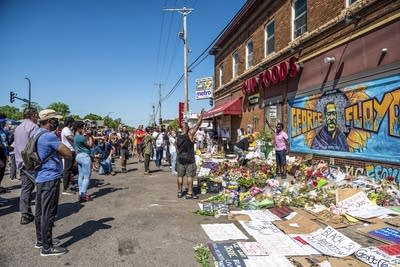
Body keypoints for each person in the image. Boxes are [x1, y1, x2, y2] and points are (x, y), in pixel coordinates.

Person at [34, 109, 72, 256]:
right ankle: (47, 247)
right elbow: (67, 153)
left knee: (39, 212)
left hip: (39, 177)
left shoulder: (35, 133)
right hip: (50, 177)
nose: (57, 122)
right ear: (50, 121)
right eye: (55, 119)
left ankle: (40, 240)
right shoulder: (49, 136)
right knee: (48, 213)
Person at [13, 107, 39, 224]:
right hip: (31, 163)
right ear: (33, 115)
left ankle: (25, 215)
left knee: (26, 189)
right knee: (42, 188)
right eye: (36, 115)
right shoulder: (33, 127)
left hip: (20, 162)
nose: (37, 117)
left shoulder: (17, 128)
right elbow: (36, 146)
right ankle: (41, 215)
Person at [176, 109, 205, 199]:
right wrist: (201, 116)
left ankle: (179, 192)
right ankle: (189, 193)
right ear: (187, 127)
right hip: (190, 159)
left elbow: (176, 149)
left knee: (180, 176)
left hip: (181, 159)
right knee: (190, 176)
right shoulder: (190, 134)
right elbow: (198, 125)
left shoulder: (178, 137)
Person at [73, 121, 94, 202]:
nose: (84, 128)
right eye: (83, 127)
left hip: (78, 156)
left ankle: (81, 193)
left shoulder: (75, 137)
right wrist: (90, 136)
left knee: (80, 176)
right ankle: (83, 194)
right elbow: (90, 145)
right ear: (79, 128)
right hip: (85, 156)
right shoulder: (81, 137)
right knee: (86, 177)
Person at [61, 117, 76, 195]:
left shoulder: (69, 129)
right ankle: (65, 188)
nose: (73, 124)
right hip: (68, 151)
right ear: (70, 122)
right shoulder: (66, 129)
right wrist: (78, 138)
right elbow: (69, 137)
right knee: (67, 170)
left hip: (71, 151)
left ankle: (69, 185)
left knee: (70, 170)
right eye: (73, 122)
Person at [0, 115, 9, 194]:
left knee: (1, 175)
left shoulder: (2, 130)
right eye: (3, 122)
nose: (4, 123)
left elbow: (5, 142)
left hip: (4, 154)